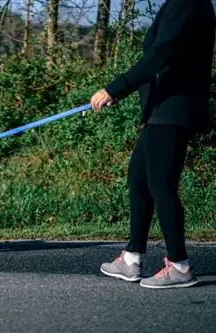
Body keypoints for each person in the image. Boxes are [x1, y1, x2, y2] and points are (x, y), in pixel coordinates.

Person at [90, 0, 215, 289]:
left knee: (161, 186)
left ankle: (180, 266)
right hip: (161, 111)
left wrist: (115, 88)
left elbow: (160, 55)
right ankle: (131, 258)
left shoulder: (188, 4)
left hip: (173, 111)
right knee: (139, 181)